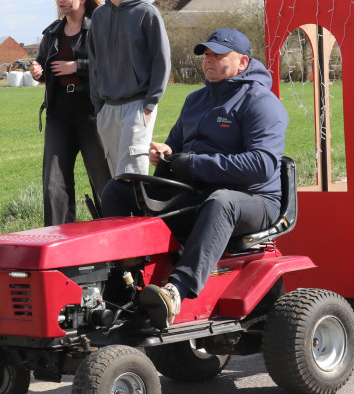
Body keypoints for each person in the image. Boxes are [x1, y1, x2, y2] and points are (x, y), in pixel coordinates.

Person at [100, 28, 288, 329]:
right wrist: (165, 153)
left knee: (221, 202)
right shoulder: (195, 100)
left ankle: (176, 291)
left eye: (218, 55)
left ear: (242, 62)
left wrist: (195, 165)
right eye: (206, 55)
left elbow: (262, 165)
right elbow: (176, 145)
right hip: (196, 191)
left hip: (253, 200)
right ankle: (125, 272)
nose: (208, 60)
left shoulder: (261, 102)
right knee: (119, 189)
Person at [30, 0, 112, 225]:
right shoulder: (53, 32)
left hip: (92, 109)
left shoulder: (99, 27)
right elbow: (44, 64)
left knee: (101, 177)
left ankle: (113, 233)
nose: (61, 0)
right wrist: (37, 71)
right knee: (54, 181)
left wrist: (77, 66)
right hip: (59, 111)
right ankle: (57, 236)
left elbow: (110, 64)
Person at [87, 0, 170, 175]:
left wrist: (150, 104)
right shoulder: (98, 16)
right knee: (116, 177)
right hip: (107, 109)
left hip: (137, 106)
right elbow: (94, 63)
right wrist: (99, 106)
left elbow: (161, 60)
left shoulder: (146, 12)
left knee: (133, 176)